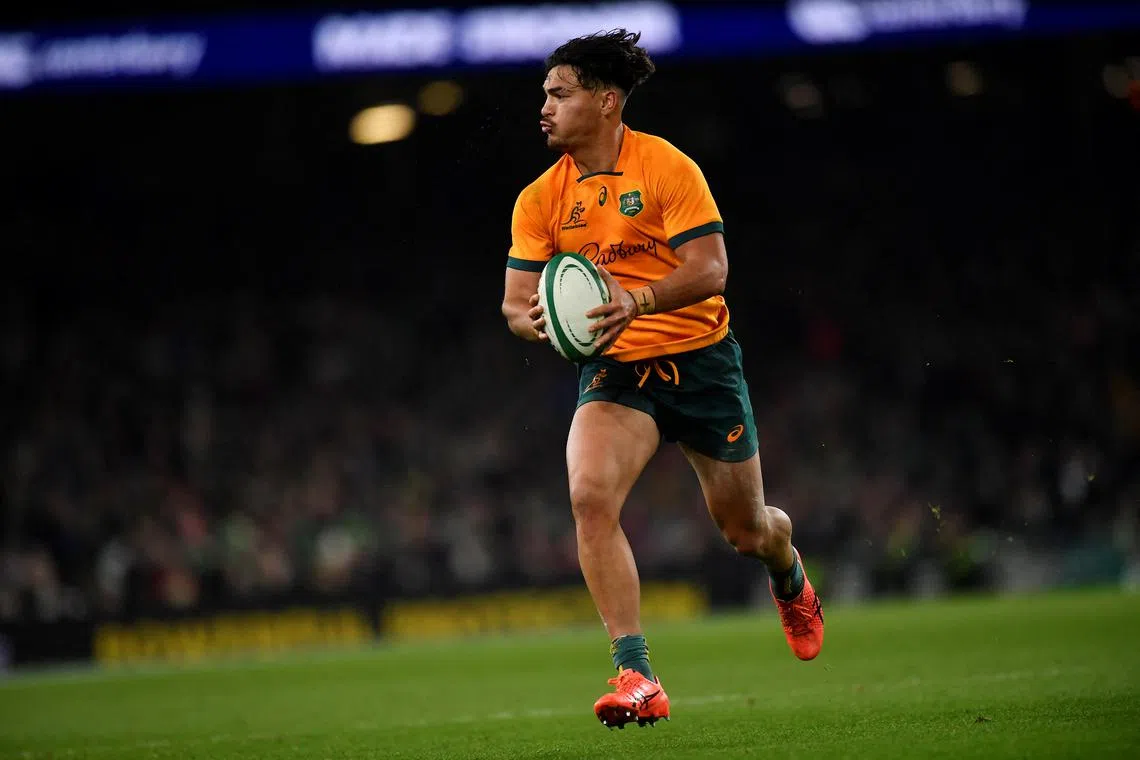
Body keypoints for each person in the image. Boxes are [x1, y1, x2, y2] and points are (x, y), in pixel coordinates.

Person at [500, 29, 824, 729]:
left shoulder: (668, 167)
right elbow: (514, 306)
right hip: (617, 370)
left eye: (560, 93)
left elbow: (711, 269)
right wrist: (548, 325)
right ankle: (637, 673)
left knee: (745, 531)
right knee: (589, 497)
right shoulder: (539, 199)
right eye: (544, 95)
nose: (545, 107)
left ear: (607, 100)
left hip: (701, 361)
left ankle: (786, 568)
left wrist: (637, 300)